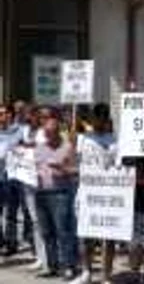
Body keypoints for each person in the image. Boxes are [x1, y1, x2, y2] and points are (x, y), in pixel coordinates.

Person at [70, 104, 118, 284]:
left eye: (102, 119)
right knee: (85, 234)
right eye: (95, 119)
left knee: (108, 237)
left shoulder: (114, 141)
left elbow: (119, 168)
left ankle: (106, 276)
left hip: (108, 195)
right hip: (85, 194)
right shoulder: (83, 139)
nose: (98, 123)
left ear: (106, 120)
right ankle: (86, 271)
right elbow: (74, 155)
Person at [34, 109, 78, 279]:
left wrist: (64, 169)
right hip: (41, 192)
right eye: (46, 133)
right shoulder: (39, 148)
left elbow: (77, 170)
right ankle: (52, 265)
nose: (48, 136)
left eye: (51, 133)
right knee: (46, 232)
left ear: (58, 131)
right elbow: (34, 168)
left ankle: (69, 265)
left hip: (60, 193)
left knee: (63, 231)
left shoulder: (67, 147)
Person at [17, 105, 48, 272]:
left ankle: (49, 257)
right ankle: (39, 256)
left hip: (42, 181)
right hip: (27, 180)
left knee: (44, 220)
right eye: (28, 115)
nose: (30, 118)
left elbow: (44, 150)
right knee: (34, 220)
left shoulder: (44, 133)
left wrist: (29, 147)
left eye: (33, 115)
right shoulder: (24, 131)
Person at [0, 103, 24, 257]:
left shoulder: (20, 131)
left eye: (3, 113)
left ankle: (11, 242)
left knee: (11, 212)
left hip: (13, 177)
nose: (1, 116)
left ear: (10, 114)